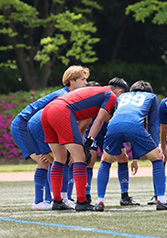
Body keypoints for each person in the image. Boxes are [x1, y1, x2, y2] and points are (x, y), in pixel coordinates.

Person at [11, 65, 89, 210]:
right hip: (24, 126)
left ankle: (46, 200)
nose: (86, 83)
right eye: (83, 79)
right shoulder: (63, 96)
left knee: (51, 161)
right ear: (71, 81)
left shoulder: (69, 96)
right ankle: (49, 200)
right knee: (53, 160)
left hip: (34, 125)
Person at [41, 79, 126, 211]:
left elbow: (83, 124)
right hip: (61, 111)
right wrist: (88, 144)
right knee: (80, 158)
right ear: (119, 92)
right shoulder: (111, 96)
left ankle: (57, 201)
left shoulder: (94, 94)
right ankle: (82, 202)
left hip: (47, 111)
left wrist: (84, 142)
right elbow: (99, 121)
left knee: (59, 158)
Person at [94, 80, 167, 211]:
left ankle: (100, 201)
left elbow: (120, 117)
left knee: (105, 161)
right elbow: (152, 124)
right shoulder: (151, 97)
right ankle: (161, 200)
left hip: (113, 126)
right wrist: (156, 146)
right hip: (134, 126)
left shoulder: (122, 96)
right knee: (157, 159)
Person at [82, 78, 140, 207]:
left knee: (123, 157)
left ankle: (124, 196)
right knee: (89, 159)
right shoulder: (102, 93)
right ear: (120, 92)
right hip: (93, 126)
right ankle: (86, 196)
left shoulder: (118, 100)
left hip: (109, 127)